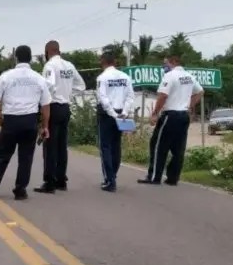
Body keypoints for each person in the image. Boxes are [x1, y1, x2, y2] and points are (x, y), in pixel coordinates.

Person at [0, 45, 51, 200]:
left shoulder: (6, 76)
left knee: (1, 156)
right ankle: (20, 190)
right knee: (26, 158)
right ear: (30, 58)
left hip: (11, 120)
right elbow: (45, 106)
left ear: (16, 58)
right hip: (30, 121)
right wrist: (44, 126)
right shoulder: (39, 78)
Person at [138, 55, 203, 186]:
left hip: (170, 115)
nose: (164, 66)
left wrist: (155, 113)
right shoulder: (189, 76)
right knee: (178, 148)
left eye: (165, 63)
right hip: (184, 116)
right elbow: (200, 91)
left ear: (173, 62)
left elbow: (163, 96)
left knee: (157, 145)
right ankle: (173, 178)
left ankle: (154, 177)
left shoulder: (170, 75)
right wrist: (190, 106)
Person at [34, 40, 86, 194]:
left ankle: (49, 182)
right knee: (62, 146)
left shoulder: (50, 65)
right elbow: (81, 85)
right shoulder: (69, 65)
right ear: (58, 50)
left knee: (49, 146)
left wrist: (42, 99)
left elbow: (48, 85)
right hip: (65, 108)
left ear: (48, 51)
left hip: (53, 107)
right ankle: (61, 180)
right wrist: (68, 92)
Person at [95, 52, 135, 192]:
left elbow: (103, 98)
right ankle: (113, 175)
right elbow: (130, 96)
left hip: (107, 115)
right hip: (121, 113)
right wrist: (124, 112)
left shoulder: (102, 78)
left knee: (105, 147)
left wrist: (113, 114)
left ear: (103, 61)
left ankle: (109, 180)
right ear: (115, 62)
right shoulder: (125, 77)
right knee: (116, 145)